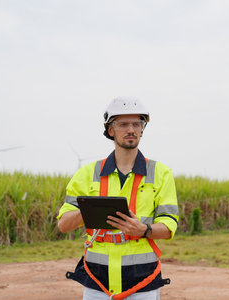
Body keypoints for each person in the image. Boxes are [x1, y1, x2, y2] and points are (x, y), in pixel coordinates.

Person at [57, 97, 179, 300]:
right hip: (97, 282)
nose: (130, 129)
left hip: (143, 281)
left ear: (142, 129)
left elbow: (168, 227)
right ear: (111, 130)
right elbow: (63, 225)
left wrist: (143, 230)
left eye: (136, 124)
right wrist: (88, 210)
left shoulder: (161, 173)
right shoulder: (87, 174)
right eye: (123, 124)